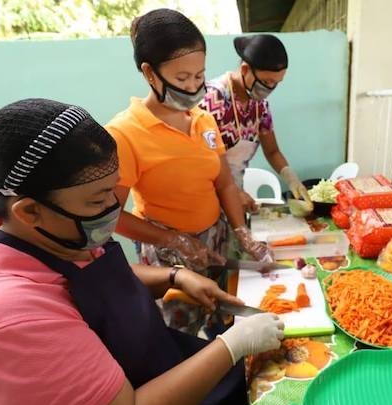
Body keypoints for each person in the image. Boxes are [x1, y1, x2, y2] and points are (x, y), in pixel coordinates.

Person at [0, 98, 284, 405]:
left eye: (114, 190)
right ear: (29, 211)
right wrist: (232, 345)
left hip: (156, 365)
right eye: (98, 199)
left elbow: (95, 279)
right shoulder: (7, 323)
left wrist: (173, 277)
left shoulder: (57, 233)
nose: (113, 207)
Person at [105, 9, 272, 334]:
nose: (194, 87)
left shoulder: (203, 119)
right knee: (184, 335)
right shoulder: (124, 133)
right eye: (182, 79)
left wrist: (242, 232)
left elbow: (224, 183)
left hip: (217, 239)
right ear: (149, 73)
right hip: (170, 255)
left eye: (199, 76)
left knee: (226, 319)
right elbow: (111, 216)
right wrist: (174, 239)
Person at [200, 34, 311, 212]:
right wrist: (233, 191)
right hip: (205, 197)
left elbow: (272, 151)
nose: (269, 89)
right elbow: (200, 160)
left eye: (276, 83)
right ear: (245, 70)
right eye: (266, 82)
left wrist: (291, 178)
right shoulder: (213, 99)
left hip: (234, 199)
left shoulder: (260, 107)